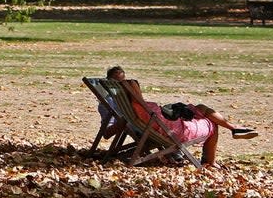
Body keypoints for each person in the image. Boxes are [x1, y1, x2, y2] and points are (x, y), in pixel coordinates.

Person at [107, 65, 256, 167]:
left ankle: (233, 128)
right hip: (163, 129)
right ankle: (211, 160)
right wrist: (126, 119)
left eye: (125, 81)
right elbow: (109, 132)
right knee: (211, 124)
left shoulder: (132, 104)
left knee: (199, 108)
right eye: (121, 82)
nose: (124, 84)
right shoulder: (135, 106)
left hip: (159, 125)